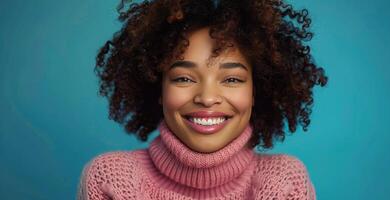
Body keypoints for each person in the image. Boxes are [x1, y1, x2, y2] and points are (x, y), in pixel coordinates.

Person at [76, 0, 328, 199]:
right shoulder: (111, 179)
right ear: (159, 91)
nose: (207, 98)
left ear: (255, 92)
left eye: (231, 79)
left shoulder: (284, 182)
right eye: (184, 78)